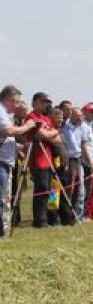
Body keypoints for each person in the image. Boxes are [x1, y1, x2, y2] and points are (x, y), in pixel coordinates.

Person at [0, 85, 38, 237]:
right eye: (15, 102)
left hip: (6, 161)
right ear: (8, 100)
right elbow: (8, 131)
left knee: (5, 197)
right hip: (1, 162)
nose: (16, 105)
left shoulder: (6, 115)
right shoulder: (1, 112)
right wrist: (28, 126)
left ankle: (4, 229)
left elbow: (5, 136)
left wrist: (19, 147)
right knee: (2, 198)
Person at [25, 92, 61, 229]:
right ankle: (39, 220)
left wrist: (51, 134)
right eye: (42, 101)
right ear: (34, 102)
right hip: (38, 158)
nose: (45, 104)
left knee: (49, 190)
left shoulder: (46, 119)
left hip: (49, 158)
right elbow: (40, 134)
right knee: (41, 189)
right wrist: (53, 133)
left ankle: (46, 217)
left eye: (46, 102)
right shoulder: (31, 117)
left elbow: (57, 138)